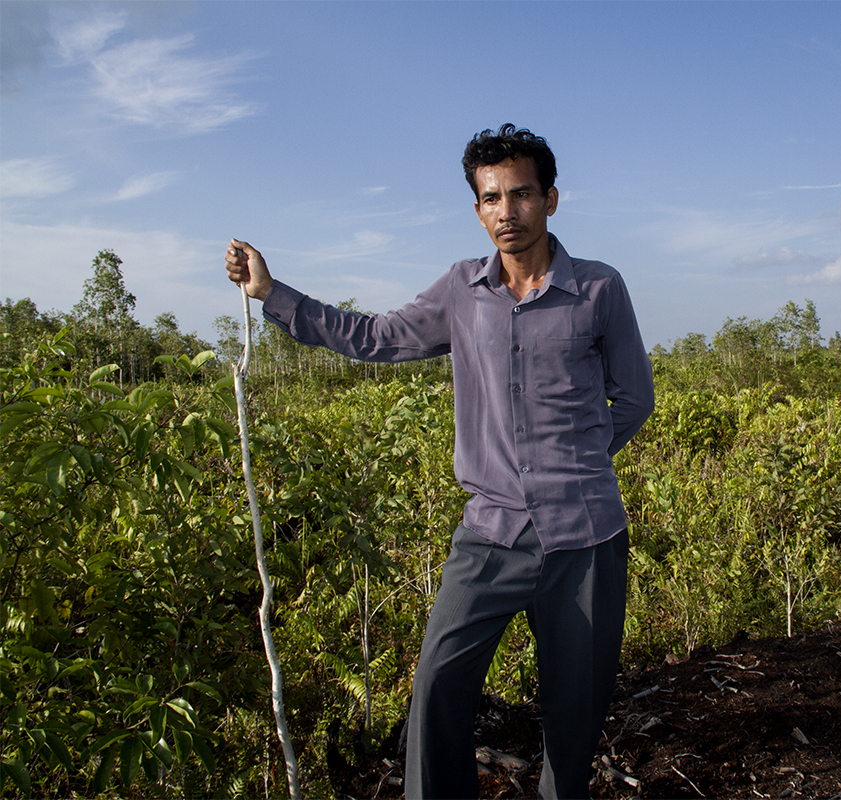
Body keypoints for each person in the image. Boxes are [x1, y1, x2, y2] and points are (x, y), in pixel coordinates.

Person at [223, 124, 655, 799]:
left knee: (575, 713)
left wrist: (577, 464)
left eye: (520, 195)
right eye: (490, 199)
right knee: (438, 686)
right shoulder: (461, 291)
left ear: (551, 199)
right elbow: (372, 337)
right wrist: (273, 296)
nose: (505, 213)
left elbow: (633, 397)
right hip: (490, 534)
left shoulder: (600, 290)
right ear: (476, 208)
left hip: (587, 537)